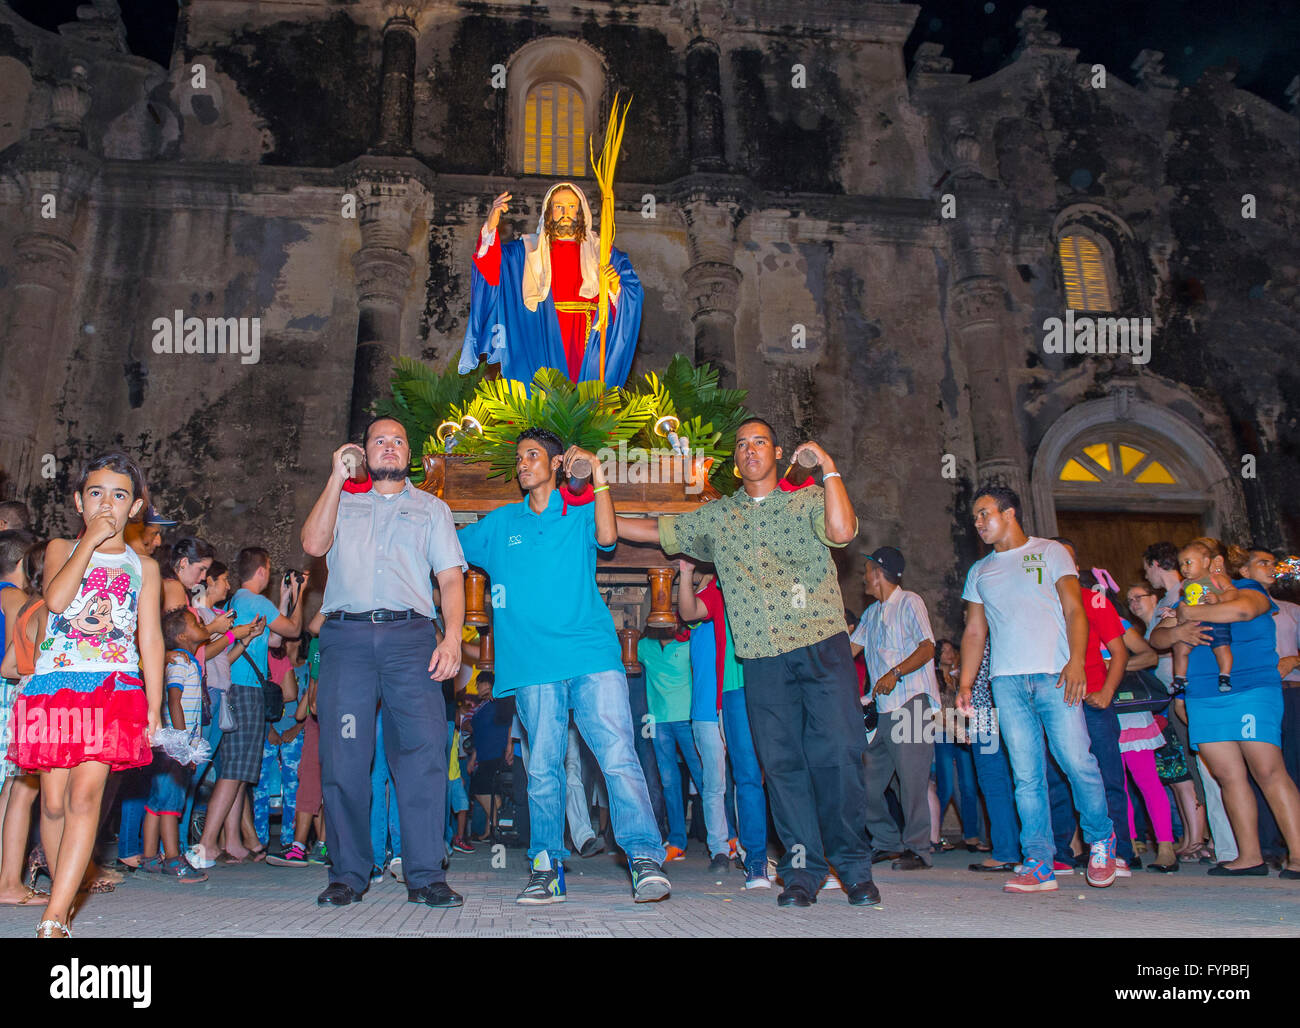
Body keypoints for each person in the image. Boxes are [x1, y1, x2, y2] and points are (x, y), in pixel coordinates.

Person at [618, 418, 878, 908]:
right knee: (781, 766)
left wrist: (828, 467)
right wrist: (596, 510)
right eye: (740, 444)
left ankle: (853, 868)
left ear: (777, 452)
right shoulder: (717, 517)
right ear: (735, 461)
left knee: (839, 754)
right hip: (761, 658)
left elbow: (843, 532)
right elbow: (656, 532)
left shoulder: (806, 499)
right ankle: (802, 872)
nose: (749, 449)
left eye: (759, 442)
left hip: (822, 646)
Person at [457, 428, 670, 905]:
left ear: (556, 464)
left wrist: (597, 473)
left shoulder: (578, 512)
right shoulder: (499, 524)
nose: (522, 463)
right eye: (518, 457)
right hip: (534, 669)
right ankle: (546, 868)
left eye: (532, 455)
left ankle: (643, 858)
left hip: (591, 656)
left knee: (616, 755)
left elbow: (609, 537)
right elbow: (446, 546)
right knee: (544, 771)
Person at [301, 417, 467, 908]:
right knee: (344, 755)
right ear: (363, 453)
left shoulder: (432, 509)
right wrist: (335, 477)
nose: (389, 447)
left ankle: (424, 874)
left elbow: (451, 580)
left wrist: (452, 637)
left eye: (397, 441)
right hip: (347, 640)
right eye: (379, 441)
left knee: (423, 755)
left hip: (411, 639)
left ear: (409, 453)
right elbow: (312, 545)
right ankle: (348, 873)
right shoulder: (342, 503)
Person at [6, 453, 161, 937]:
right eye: (96, 493)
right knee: (51, 802)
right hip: (55, 687)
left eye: (119, 495)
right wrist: (89, 543)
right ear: (79, 500)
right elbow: (56, 601)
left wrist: (154, 705)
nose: (107, 503)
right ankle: (65, 891)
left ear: (135, 506)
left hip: (113, 687)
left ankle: (56, 914)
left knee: (85, 797)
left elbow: (150, 638)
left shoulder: (145, 568)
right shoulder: (58, 548)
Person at [955, 485, 1117, 894]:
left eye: (984, 513)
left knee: (1077, 762)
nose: (978, 522)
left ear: (1009, 513)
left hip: (1054, 674)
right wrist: (966, 683)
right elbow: (975, 630)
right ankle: (1039, 862)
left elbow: (1074, 609)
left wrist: (1076, 660)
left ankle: (1102, 840)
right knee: (1026, 775)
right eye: (974, 516)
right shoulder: (980, 571)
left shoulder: (1049, 552)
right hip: (1006, 682)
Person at [1150, 541, 1300, 878]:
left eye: (1195, 558)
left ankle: (1298, 855)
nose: (1187, 566)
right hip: (1204, 693)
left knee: (1268, 770)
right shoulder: (1188, 594)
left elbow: (1242, 612)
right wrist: (1177, 630)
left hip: (1250, 688)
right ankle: (1249, 856)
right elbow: (1158, 639)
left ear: (1216, 561)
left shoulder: (1247, 588)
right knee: (1227, 777)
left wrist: (1189, 615)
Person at [459, 184, 643, 386]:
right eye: (559, 207)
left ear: (581, 211)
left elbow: (632, 292)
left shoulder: (603, 251)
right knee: (544, 399)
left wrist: (616, 288)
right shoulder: (529, 251)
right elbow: (492, 267)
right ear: (548, 211)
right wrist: (491, 227)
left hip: (588, 340)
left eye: (572, 206)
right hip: (542, 333)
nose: (566, 213)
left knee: (587, 403)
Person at [189, 547, 297, 867]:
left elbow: (274, 642)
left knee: (238, 770)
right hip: (245, 688)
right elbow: (290, 631)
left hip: (232, 688)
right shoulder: (255, 601)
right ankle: (209, 843)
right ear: (262, 570)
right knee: (235, 771)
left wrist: (285, 599)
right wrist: (294, 598)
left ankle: (233, 841)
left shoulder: (237, 602)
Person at [1041, 541, 1135, 878]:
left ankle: (1119, 851)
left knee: (1107, 776)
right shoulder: (1039, 600)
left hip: (1093, 700)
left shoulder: (1092, 597)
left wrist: (1108, 691)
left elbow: (1119, 651)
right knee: (1055, 778)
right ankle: (1061, 853)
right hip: (1054, 701)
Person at [676, 559, 771, 887]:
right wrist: (685, 575)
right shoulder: (698, 600)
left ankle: (747, 848)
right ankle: (720, 848)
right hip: (704, 708)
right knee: (714, 783)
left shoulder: (725, 591)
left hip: (732, 699)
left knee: (746, 776)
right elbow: (686, 616)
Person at [849, 546, 940, 871]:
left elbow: (928, 647)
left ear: (877, 571)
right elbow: (851, 650)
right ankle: (887, 842)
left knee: (912, 782)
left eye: (866, 570)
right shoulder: (872, 614)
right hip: (885, 711)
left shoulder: (910, 602)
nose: (863, 577)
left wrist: (894, 672)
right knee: (866, 783)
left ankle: (918, 849)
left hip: (913, 703)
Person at [1125, 582, 1209, 861]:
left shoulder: (1162, 621)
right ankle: (1188, 836)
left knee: (1184, 773)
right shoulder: (1149, 629)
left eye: (1139, 597)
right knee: (1172, 775)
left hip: (1174, 699)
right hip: (1158, 705)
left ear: (1155, 597)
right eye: (1129, 599)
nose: (1134, 602)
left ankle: (1197, 839)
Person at [139, 608, 209, 882]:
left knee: (157, 801)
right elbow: (174, 699)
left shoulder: (187, 661)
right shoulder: (180, 663)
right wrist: (184, 745)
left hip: (167, 744)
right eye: (194, 622)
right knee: (171, 803)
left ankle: (148, 857)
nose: (200, 622)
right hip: (174, 745)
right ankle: (172, 858)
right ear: (182, 636)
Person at [639, 618, 715, 864]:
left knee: (704, 778)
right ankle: (677, 841)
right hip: (658, 721)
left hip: (687, 719)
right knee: (669, 783)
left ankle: (725, 838)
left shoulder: (687, 645)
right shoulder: (644, 646)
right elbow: (621, 653)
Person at [252, 634, 307, 856]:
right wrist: (269, 728)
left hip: (293, 728)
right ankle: (259, 838)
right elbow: (262, 697)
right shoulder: (265, 659)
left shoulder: (301, 665)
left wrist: (296, 728)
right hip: (269, 729)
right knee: (261, 786)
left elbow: (303, 700)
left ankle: (289, 839)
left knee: (293, 786)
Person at [933, 639, 987, 852]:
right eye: (944, 650)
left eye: (951, 649)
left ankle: (971, 836)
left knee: (968, 785)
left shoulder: (960, 678)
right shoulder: (934, 677)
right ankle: (932, 835)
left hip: (962, 734)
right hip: (942, 734)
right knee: (945, 786)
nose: (949, 653)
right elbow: (933, 711)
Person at [1172, 541, 1237, 694]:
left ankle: (1225, 675)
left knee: (1222, 647)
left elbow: (1233, 592)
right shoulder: (1185, 584)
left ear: (1206, 562)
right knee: (1180, 647)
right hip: (1193, 623)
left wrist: (1219, 598)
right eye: (1181, 564)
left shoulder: (1216, 578)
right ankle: (1180, 677)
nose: (1184, 568)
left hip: (1215, 620)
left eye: (1188, 562)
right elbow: (1186, 602)